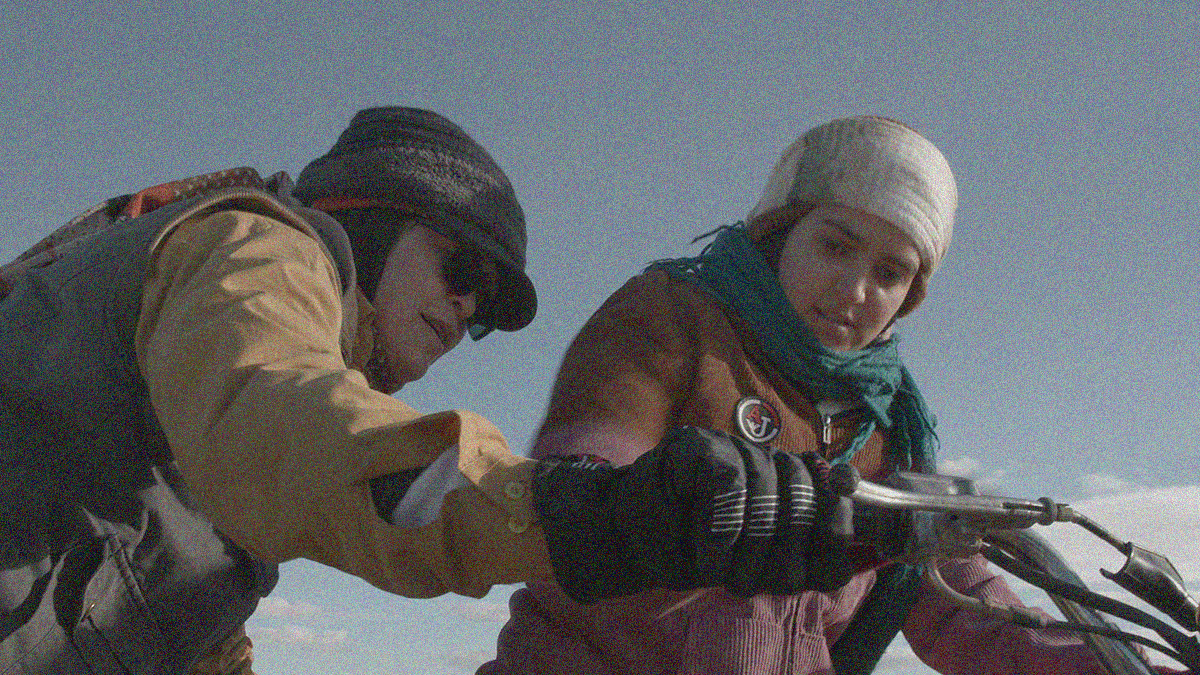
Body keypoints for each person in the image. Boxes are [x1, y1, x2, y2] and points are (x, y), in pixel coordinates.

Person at [0, 107, 868, 674]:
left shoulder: (271, 440)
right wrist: (581, 511)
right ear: (364, 214)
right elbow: (282, 421)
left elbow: (178, 594)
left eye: (483, 311)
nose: (463, 312)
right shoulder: (260, 248)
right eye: (460, 271)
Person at [482, 116, 1130, 675]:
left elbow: (960, 605)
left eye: (890, 272)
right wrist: (650, 489)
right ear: (782, 228)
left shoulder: (890, 425)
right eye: (836, 245)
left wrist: (1107, 660)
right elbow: (586, 459)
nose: (854, 290)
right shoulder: (672, 316)